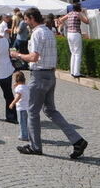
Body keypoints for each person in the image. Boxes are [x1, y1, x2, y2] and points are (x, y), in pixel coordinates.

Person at [11, 9, 88, 158]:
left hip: (39, 75)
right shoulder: (49, 32)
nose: (25, 22)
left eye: (26, 19)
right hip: (50, 74)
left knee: (32, 112)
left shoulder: (37, 33)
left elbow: (34, 57)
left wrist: (17, 55)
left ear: (32, 18)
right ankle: (77, 140)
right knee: (50, 110)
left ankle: (35, 147)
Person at [56, 3, 90, 78]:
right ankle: (76, 73)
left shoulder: (70, 13)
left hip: (69, 33)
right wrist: (85, 13)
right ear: (79, 8)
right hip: (76, 33)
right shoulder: (78, 14)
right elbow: (87, 21)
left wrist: (67, 25)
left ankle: (72, 71)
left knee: (73, 53)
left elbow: (60, 20)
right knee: (77, 53)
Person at [9, 70, 30, 142]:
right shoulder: (26, 87)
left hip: (21, 108)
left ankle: (23, 135)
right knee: (27, 122)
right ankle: (29, 134)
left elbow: (18, 96)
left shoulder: (19, 88)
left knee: (22, 123)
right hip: (27, 107)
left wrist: (12, 103)